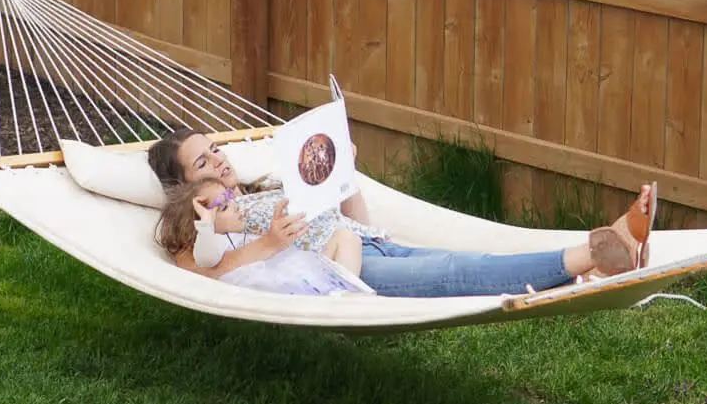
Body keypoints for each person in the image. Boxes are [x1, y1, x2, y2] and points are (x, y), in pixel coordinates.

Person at [148, 128, 656, 299]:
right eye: (203, 161)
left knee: (473, 262)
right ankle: (594, 249)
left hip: (369, 242)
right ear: (183, 186)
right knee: (462, 275)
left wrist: (343, 178)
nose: (220, 160)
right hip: (349, 272)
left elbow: (357, 219)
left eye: (216, 149)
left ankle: (599, 262)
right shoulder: (202, 225)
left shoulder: (268, 187)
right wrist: (271, 243)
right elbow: (201, 277)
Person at [155, 177, 372, 295]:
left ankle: (348, 297)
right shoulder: (211, 246)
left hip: (303, 268)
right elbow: (207, 256)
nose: (235, 207)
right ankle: (347, 302)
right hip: (287, 285)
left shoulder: (238, 235)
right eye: (223, 208)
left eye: (230, 199)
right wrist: (206, 223)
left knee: (347, 237)